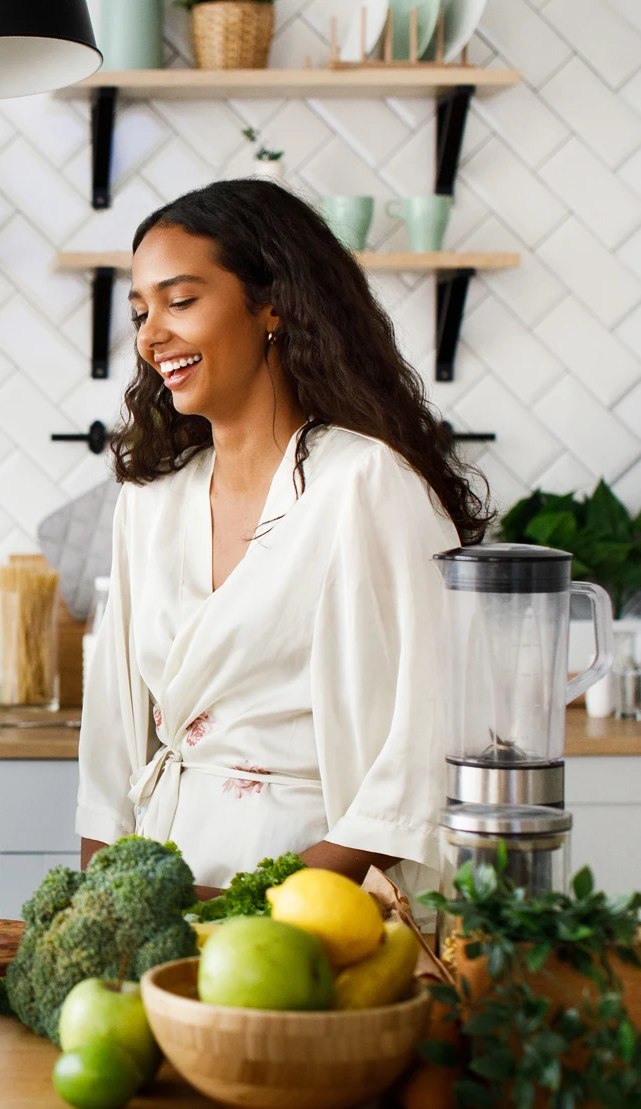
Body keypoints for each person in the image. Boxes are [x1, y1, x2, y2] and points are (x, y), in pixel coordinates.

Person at [76, 179, 490, 898]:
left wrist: (254, 908)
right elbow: (109, 745)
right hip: (167, 885)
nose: (149, 335)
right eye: (140, 311)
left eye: (180, 301)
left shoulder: (365, 485)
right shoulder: (148, 502)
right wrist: (105, 910)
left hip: (325, 906)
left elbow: (429, 747)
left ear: (273, 303)